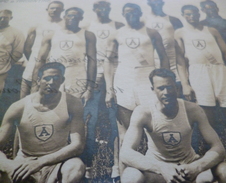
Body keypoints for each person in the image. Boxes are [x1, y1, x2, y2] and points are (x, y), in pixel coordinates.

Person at [120, 68, 226, 183]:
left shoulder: (193, 110)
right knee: (131, 176)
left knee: (225, 172)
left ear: (177, 88)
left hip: (188, 168)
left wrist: (197, 167)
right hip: (158, 171)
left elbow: (218, 148)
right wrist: (161, 168)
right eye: (160, 88)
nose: (166, 92)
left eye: (169, 87)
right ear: (153, 90)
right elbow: (125, 153)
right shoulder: (144, 112)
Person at [104, 2, 169, 173]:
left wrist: (164, 82)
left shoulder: (152, 32)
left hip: (146, 79)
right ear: (123, 15)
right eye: (126, 13)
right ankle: (120, 168)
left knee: (153, 124)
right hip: (124, 80)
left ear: (140, 13)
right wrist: (109, 89)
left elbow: (163, 57)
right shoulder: (116, 34)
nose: (130, 15)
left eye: (133, 12)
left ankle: (156, 167)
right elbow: (108, 61)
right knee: (124, 130)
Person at [0, 62, 86, 183]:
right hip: (25, 162)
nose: (51, 82)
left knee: (76, 167)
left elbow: (78, 145)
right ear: (38, 80)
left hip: (57, 161)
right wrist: (8, 165)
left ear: (62, 80)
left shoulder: (72, 103)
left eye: (56, 78)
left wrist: (41, 162)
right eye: (47, 78)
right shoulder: (19, 107)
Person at [175, 5, 226, 139]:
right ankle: (217, 148)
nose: (192, 17)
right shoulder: (180, 33)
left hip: (220, 71)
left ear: (199, 14)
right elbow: (181, 62)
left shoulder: (212, 30)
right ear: (183, 15)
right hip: (198, 73)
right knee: (207, 119)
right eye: (188, 14)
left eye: (194, 13)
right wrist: (185, 84)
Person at [83, 0, 123, 180]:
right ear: (94, 9)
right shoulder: (86, 26)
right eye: (99, 7)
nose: (102, 10)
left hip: (115, 73)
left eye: (106, 7)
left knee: (116, 120)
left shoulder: (119, 26)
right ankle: (88, 164)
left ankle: (117, 164)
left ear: (110, 9)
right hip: (94, 74)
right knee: (90, 120)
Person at [32, 7, 97, 105]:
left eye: (76, 16)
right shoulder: (51, 35)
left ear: (81, 18)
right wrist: (34, 86)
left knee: (74, 110)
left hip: (77, 78)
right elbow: (40, 60)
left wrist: (90, 89)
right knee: (51, 108)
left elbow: (92, 62)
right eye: (70, 15)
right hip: (54, 78)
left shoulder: (88, 35)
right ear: (64, 17)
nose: (73, 18)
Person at [21, 1, 64, 98]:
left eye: (58, 8)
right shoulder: (37, 25)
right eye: (52, 8)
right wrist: (36, 60)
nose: (55, 10)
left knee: (45, 101)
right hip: (33, 66)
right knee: (24, 100)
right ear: (47, 9)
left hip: (52, 68)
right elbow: (27, 48)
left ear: (62, 10)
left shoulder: (65, 26)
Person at [145, 0, 183, 89]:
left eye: (159, 2)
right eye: (153, 2)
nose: (156, 4)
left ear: (163, 3)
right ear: (148, 3)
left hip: (173, 63)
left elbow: (182, 43)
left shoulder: (173, 20)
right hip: (152, 64)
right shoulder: (144, 20)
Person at [0, 9, 25, 96]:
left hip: (2, 70)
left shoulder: (16, 33)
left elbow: (18, 53)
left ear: (11, 18)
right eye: (0, 17)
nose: (2, 19)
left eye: (5, 18)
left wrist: (7, 65)